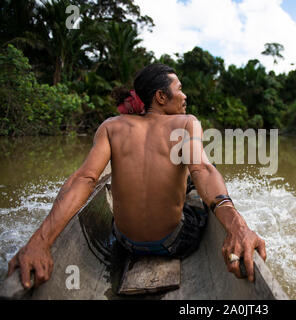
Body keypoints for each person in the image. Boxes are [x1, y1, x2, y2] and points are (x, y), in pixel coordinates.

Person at [7, 63, 266, 289]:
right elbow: (204, 170)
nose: (185, 96)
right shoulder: (187, 122)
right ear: (161, 97)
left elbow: (84, 179)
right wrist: (238, 227)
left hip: (125, 241)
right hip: (173, 242)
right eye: (180, 89)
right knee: (194, 181)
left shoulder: (111, 126)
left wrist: (39, 242)